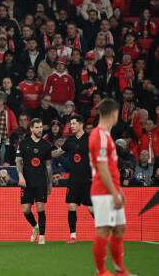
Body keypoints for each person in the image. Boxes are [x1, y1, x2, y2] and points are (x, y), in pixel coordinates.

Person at [89, 98, 135, 276]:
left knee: (119, 227)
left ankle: (119, 269)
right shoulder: (99, 135)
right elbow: (101, 167)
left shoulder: (106, 135)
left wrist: (118, 190)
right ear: (113, 114)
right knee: (103, 229)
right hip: (103, 191)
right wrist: (114, 192)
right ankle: (101, 272)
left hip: (112, 189)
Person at [16, 118, 53, 245]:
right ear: (31, 128)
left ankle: (42, 236)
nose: (39, 129)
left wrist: (50, 183)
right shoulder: (23, 143)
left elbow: (48, 166)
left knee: (40, 207)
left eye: (41, 127)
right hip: (27, 181)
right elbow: (18, 161)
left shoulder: (46, 145)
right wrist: (20, 176)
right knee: (26, 209)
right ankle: (35, 226)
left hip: (41, 180)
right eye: (36, 127)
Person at [62, 115, 94, 243]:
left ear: (81, 124)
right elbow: (60, 151)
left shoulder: (90, 138)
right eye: (71, 124)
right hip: (73, 179)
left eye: (74, 123)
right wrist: (45, 154)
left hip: (88, 179)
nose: (72, 126)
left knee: (91, 208)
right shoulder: (70, 140)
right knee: (71, 207)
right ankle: (73, 236)